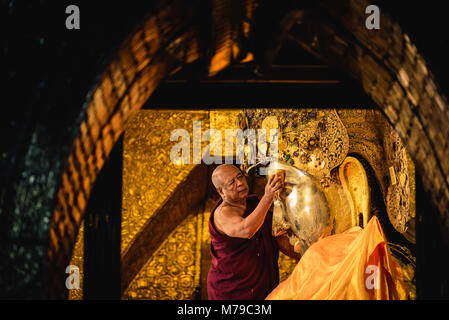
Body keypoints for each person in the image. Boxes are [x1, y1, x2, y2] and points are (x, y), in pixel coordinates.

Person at [207, 164, 300, 300]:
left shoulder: (254, 205)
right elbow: (246, 230)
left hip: (263, 287)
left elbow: (277, 238)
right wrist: (268, 197)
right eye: (232, 182)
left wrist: (307, 257)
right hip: (232, 291)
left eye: (240, 177)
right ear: (221, 192)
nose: (240, 183)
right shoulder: (222, 214)